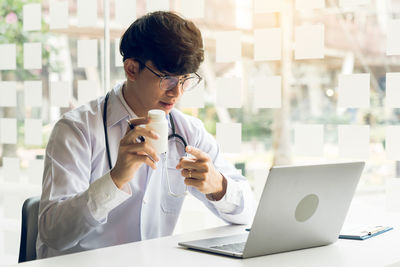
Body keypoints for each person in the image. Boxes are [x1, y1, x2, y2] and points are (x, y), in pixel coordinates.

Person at [36, 11, 256, 259]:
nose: (177, 93)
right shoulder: (77, 130)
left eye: (185, 80)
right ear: (131, 69)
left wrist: (219, 187)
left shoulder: (188, 132)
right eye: (167, 79)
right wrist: (116, 179)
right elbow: (53, 233)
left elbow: (249, 214)